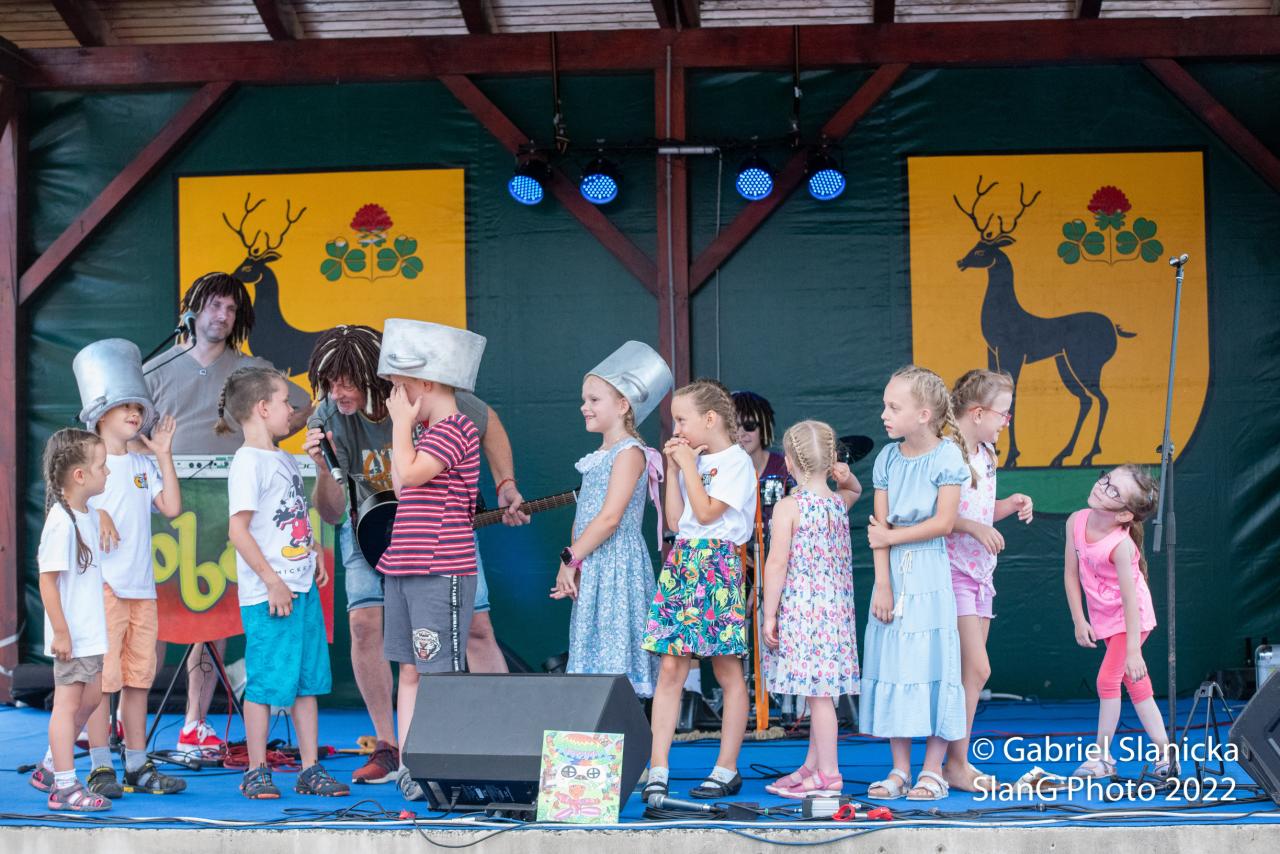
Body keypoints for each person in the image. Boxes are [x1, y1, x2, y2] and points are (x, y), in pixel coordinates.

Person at [301, 325, 527, 785]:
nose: (336, 393)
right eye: (329, 383)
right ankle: (394, 748)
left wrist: (505, 483)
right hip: (370, 529)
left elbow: (490, 424)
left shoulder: (429, 401)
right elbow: (332, 510)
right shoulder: (327, 415)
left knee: (475, 627)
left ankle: (504, 739)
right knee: (371, 629)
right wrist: (323, 469)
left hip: (440, 535)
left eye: (346, 382)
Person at [142, 272, 311, 755]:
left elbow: (300, 405)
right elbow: (126, 425)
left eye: (232, 309)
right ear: (193, 309)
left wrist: (264, 437)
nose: (222, 315)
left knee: (211, 614)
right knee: (152, 611)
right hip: (163, 505)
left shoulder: (252, 370)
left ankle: (195, 723)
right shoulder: (156, 368)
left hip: (227, 505)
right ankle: (122, 721)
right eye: (214, 305)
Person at [219, 366, 348, 799]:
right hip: (271, 595)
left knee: (307, 682)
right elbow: (239, 531)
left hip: (301, 587)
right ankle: (256, 769)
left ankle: (310, 768)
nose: (291, 410)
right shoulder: (247, 462)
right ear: (262, 408)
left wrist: (312, 551)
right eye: (284, 402)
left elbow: (288, 517)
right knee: (266, 683)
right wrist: (273, 581)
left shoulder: (284, 458)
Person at [374, 319, 486, 801]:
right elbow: (402, 486)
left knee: (439, 670)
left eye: (400, 387)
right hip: (404, 566)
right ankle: (412, 763)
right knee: (410, 669)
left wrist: (401, 427)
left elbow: (415, 474)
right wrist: (404, 431)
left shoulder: (455, 429)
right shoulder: (422, 433)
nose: (395, 398)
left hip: (441, 569)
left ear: (425, 384)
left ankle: (444, 761)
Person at [70, 340, 187, 798]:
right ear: (100, 414)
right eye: (125, 406)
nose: (135, 414)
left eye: (138, 407)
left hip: (142, 588)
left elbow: (172, 507)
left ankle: (137, 763)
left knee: (139, 678)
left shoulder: (141, 463)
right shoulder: (85, 466)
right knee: (103, 681)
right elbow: (66, 507)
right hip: (103, 587)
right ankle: (101, 764)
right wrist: (95, 511)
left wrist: (163, 455)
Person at [642, 379, 758, 801]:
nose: (676, 430)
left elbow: (708, 514)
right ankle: (658, 766)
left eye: (682, 420)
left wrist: (689, 466)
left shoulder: (735, 462)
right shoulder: (694, 461)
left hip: (718, 562)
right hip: (684, 561)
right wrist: (674, 471)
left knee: (726, 669)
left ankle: (726, 768)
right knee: (671, 668)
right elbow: (677, 521)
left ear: (710, 419)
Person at [861, 365, 969, 802]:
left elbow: (943, 523)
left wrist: (891, 537)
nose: (884, 414)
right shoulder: (887, 458)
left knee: (934, 664)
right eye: (885, 405)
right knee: (897, 665)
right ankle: (900, 769)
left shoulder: (947, 457)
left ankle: (932, 769)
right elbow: (879, 528)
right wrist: (882, 584)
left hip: (929, 572)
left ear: (923, 414)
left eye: (893, 407)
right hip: (894, 574)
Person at [550, 341, 671, 698]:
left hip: (617, 565)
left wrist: (570, 558)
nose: (584, 407)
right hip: (594, 563)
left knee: (615, 653)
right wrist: (573, 562)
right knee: (593, 653)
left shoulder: (629, 453)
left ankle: (618, 723)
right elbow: (584, 515)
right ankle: (596, 728)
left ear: (622, 405)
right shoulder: (599, 455)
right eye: (584, 399)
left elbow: (609, 518)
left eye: (594, 399)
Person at [942, 369, 1034, 792]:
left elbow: (980, 509)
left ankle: (955, 762)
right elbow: (939, 518)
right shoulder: (949, 453)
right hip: (953, 572)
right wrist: (975, 528)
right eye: (1004, 414)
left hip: (981, 574)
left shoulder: (987, 454)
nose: (1006, 422)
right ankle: (954, 763)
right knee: (977, 668)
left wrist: (1007, 505)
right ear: (977, 413)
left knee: (972, 675)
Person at [761, 420, 862, 799]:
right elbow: (855, 488)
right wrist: (846, 477)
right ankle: (812, 765)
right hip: (835, 615)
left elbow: (776, 563)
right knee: (821, 693)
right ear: (832, 459)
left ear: (789, 462)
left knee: (818, 698)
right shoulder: (838, 502)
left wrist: (770, 614)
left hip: (805, 613)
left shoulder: (789, 507)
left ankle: (829, 775)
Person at [1064, 465, 1177, 783]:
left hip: (1132, 621)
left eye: (1114, 491)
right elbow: (1071, 574)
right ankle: (1166, 754)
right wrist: (1079, 619)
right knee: (1136, 684)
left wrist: (1133, 651)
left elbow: (1131, 602)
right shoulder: (1076, 521)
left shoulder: (1121, 546)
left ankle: (1102, 757)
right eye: (1106, 479)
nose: (1102, 487)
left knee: (1107, 681)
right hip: (1106, 619)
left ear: (1125, 515)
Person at [30, 429, 111, 811]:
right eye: (101, 465)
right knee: (67, 705)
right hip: (73, 636)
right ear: (79, 475)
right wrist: (61, 632)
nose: (107, 471)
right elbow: (47, 580)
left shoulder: (87, 515)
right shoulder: (60, 522)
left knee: (92, 698)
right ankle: (64, 785)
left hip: (90, 633)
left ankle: (50, 764)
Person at [732, 390, 795, 535]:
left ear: (764, 427)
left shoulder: (784, 466)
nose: (741, 433)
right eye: (734, 427)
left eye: (749, 425)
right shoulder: (721, 471)